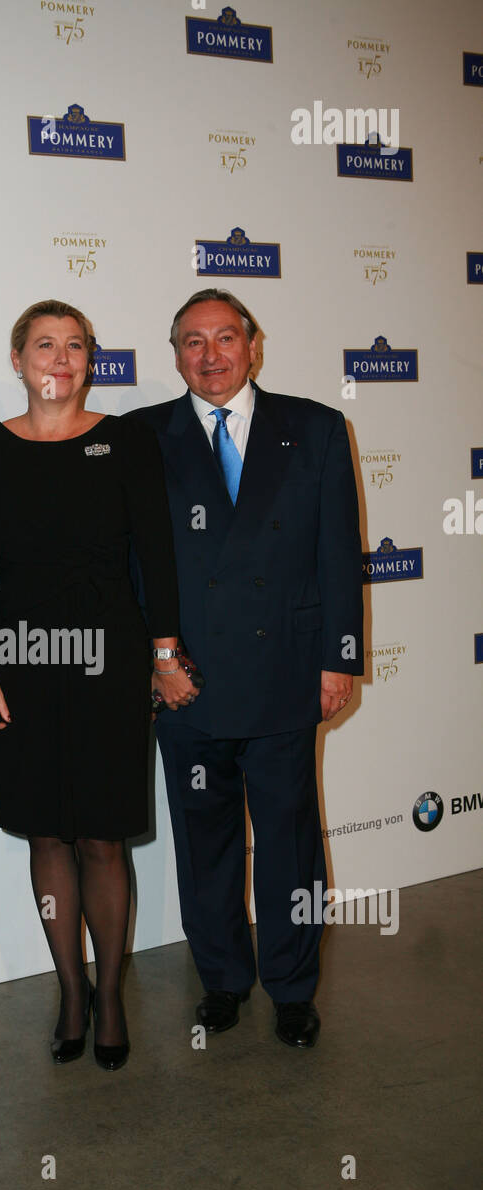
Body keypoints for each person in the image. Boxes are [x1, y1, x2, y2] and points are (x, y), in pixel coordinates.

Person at [0, 300, 190, 1070]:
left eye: (75, 346)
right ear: (17, 359)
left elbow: (157, 554)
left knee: (102, 835)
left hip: (110, 660)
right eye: (45, 345)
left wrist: (162, 653)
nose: (61, 358)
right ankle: (71, 990)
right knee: (47, 831)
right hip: (18, 660)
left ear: (92, 361)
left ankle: (112, 997)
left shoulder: (127, 441)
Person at [127, 289, 363, 1048]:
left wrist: (338, 659)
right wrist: (152, 661)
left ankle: (293, 988)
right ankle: (224, 979)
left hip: (286, 673)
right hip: (184, 680)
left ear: (252, 345)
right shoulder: (142, 436)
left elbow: (338, 556)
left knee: (291, 841)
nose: (211, 355)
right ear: (174, 354)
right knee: (205, 843)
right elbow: (126, 564)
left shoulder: (317, 429)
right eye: (192, 342)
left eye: (224, 338)